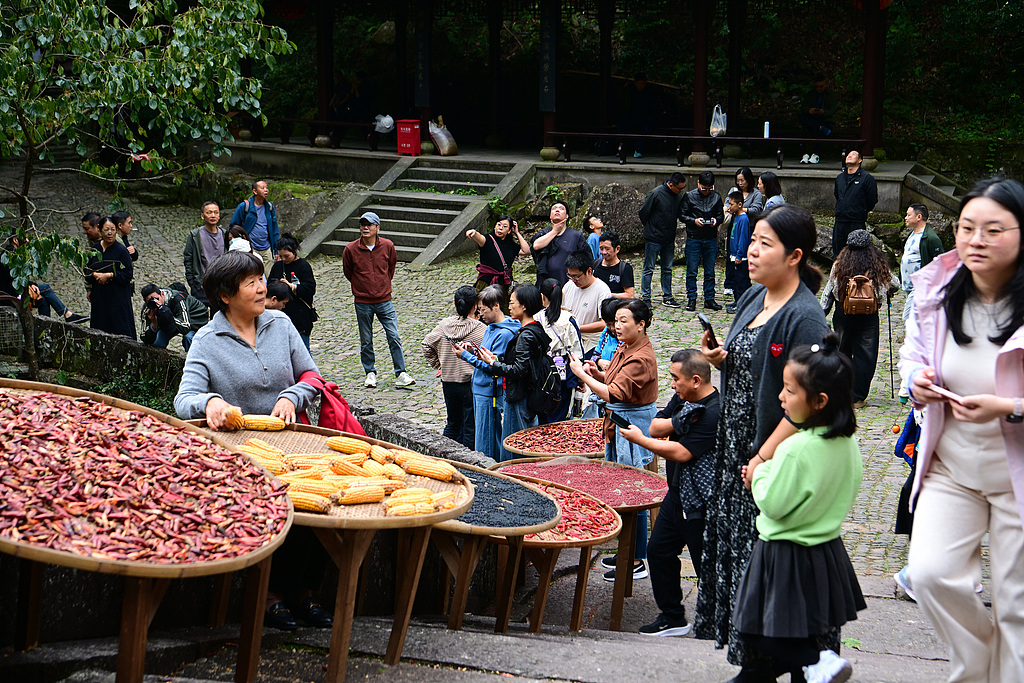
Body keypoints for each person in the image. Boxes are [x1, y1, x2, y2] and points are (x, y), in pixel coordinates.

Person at [693, 203, 830, 672]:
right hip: (738, 458)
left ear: (794, 256)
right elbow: (755, 367)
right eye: (751, 239)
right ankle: (760, 664)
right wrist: (722, 360)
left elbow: (811, 401)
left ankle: (787, 665)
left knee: (773, 576)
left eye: (763, 243)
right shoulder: (755, 296)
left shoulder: (805, 317)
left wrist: (763, 456)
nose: (751, 250)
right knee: (746, 573)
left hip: (771, 465)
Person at [898, 177, 1024, 683]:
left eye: (994, 230)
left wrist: (1010, 405)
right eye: (967, 227)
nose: (976, 239)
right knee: (930, 575)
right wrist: (916, 380)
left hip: (1016, 476)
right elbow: (910, 355)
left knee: (1017, 603)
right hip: (952, 464)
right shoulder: (936, 286)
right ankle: (978, 668)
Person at [174, 251, 330, 632]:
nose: (263, 288)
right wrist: (209, 401)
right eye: (252, 283)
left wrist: (291, 396)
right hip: (246, 453)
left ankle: (304, 593)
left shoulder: (281, 323)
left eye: (261, 279)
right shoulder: (207, 341)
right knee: (276, 513)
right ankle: (271, 596)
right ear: (226, 295)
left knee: (321, 510)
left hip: (295, 444)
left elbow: (311, 375)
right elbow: (183, 400)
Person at [731, 332, 865, 682]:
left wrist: (759, 474)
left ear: (819, 400)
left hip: (784, 551)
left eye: (790, 390)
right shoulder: (846, 442)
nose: (780, 396)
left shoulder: (796, 448)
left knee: (755, 629)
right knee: (803, 627)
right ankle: (808, 663)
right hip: (824, 550)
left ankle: (818, 661)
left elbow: (773, 503)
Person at [621, 349, 721, 638]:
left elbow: (681, 451)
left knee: (707, 564)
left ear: (696, 380)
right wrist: (680, 421)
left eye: (676, 379)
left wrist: (641, 440)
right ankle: (673, 616)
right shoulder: (686, 399)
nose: (672, 384)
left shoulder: (714, 412)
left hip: (701, 501)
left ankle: (717, 623)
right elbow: (655, 425)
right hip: (676, 494)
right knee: (659, 551)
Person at [569, 299, 658, 582]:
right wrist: (600, 373)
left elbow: (613, 394)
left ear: (641, 325)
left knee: (634, 493)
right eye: (616, 321)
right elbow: (614, 381)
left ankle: (637, 558)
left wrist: (583, 375)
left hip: (630, 426)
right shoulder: (628, 347)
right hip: (618, 422)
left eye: (624, 321)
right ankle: (626, 552)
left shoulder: (641, 357)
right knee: (623, 488)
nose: (617, 327)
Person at [820, 229, 900, 408]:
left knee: (842, 352)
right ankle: (857, 397)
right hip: (869, 316)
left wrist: (821, 313)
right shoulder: (878, 265)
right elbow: (895, 284)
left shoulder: (840, 264)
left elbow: (828, 292)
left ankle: (842, 392)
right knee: (866, 356)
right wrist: (886, 293)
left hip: (843, 314)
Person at [342, 211, 415, 390]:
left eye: (369, 224)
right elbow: (348, 272)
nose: (365, 227)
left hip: (384, 300)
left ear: (377, 227)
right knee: (366, 339)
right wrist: (362, 287)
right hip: (362, 301)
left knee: (394, 336)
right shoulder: (351, 249)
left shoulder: (388, 246)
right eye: (362, 224)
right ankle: (370, 372)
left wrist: (382, 286)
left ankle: (401, 373)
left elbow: (391, 268)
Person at [473, 284, 552, 448]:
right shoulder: (536, 329)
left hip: (519, 395)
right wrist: (496, 358)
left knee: (514, 446)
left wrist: (492, 363)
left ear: (523, 306)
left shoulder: (525, 335)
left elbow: (518, 370)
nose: (508, 307)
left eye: (512, 303)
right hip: (529, 395)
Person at [456, 285, 521, 462]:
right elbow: (486, 354)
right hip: (480, 388)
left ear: (496, 306)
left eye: (483, 310)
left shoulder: (505, 333)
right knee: (482, 435)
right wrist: (472, 350)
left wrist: (466, 356)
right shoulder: (491, 327)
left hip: (490, 391)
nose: (480, 315)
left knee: (488, 440)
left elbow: (492, 365)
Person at [422, 285, 486, 449]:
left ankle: (444, 456)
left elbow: (426, 344)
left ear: (455, 304)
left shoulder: (443, 326)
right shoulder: (482, 330)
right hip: (470, 383)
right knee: (471, 426)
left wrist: (439, 364)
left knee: (452, 423)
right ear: (475, 306)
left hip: (449, 382)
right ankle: (470, 460)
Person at [0, 235, 88, 323]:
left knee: (43, 300)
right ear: (15, 240)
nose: (27, 240)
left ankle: (45, 328)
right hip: (10, 296)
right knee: (46, 288)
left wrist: (31, 284)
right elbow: (15, 278)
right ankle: (67, 315)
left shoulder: (16, 253)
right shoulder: (10, 255)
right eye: (25, 238)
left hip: (15, 291)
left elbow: (19, 277)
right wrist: (30, 284)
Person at [537, 278, 584, 423]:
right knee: (560, 414)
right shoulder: (569, 320)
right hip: (563, 374)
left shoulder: (536, 319)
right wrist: (580, 378)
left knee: (541, 416)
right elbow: (577, 352)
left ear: (542, 296)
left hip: (541, 373)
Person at [638, 172, 687, 307]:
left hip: (669, 238)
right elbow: (643, 213)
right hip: (654, 237)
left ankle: (668, 296)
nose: (682, 190)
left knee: (667, 269)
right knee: (649, 268)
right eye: (680, 188)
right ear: (671, 185)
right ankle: (646, 297)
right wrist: (651, 228)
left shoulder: (678, 196)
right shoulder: (655, 194)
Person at [86, 216, 136, 339]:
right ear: (100, 230)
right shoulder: (94, 249)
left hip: (118, 297)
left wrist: (110, 275)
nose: (110, 233)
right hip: (100, 297)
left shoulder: (121, 251)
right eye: (106, 230)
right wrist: (95, 275)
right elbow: (86, 270)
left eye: (113, 230)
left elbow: (128, 274)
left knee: (120, 330)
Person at [681, 171, 725, 312]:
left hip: (710, 238)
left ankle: (709, 299)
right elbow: (682, 215)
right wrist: (693, 221)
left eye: (709, 188)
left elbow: (721, 216)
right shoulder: (689, 196)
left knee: (710, 271)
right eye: (704, 188)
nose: (706, 191)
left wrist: (715, 221)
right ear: (698, 184)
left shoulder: (716, 197)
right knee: (692, 271)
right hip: (694, 237)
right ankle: (692, 298)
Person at [466, 214, 530, 311]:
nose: (500, 228)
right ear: (495, 226)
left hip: (504, 284)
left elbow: (526, 251)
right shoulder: (488, 239)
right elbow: (480, 238)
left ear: (509, 231)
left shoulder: (511, 245)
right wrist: (474, 233)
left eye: (505, 226)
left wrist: (517, 233)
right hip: (486, 282)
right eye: (499, 225)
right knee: (484, 308)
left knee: (502, 310)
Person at [268, 233, 317, 352]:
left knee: (302, 350)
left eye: (286, 256)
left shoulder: (303, 266)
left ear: (294, 251)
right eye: (281, 256)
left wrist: (293, 287)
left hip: (300, 315)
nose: (284, 259)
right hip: (281, 314)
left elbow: (310, 289)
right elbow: (269, 286)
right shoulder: (278, 266)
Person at [722, 168, 764, 302]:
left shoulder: (755, 194)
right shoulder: (733, 191)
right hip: (734, 225)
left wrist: (740, 209)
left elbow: (757, 209)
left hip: (748, 226)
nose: (740, 183)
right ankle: (729, 283)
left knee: (743, 254)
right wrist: (728, 208)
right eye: (738, 180)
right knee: (730, 253)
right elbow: (726, 203)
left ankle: (742, 287)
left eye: (743, 180)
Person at [899, 203, 944, 324]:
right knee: (918, 318)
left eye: (908, 215)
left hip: (920, 286)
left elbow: (940, 263)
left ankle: (913, 342)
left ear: (919, 217)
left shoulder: (930, 238)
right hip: (908, 285)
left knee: (908, 318)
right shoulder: (912, 234)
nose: (906, 218)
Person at [563, 249, 613, 356]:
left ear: (589, 271)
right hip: (569, 341)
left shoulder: (602, 291)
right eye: (570, 276)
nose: (573, 280)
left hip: (590, 345)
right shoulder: (568, 286)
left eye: (576, 276)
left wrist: (577, 328)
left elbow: (604, 323)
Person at [833, 150, 878, 258]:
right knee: (838, 254)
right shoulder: (840, 178)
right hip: (840, 220)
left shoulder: (866, 178)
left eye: (853, 154)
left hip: (856, 221)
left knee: (857, 254)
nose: (849, 156)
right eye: (848, 154)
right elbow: (837, 195)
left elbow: (872, 200)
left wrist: (859, 210)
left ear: (860, 160)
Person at [531, 200, 587, 286]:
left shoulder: (576, 236)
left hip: (568, 283)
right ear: (550, 215)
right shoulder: (543, 233)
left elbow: (586, 259)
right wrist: (555, 231)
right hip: (545, 285)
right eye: (554, 209)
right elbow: (536, 246)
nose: (557, 210)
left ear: (567, 216)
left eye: (561, 209)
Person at [139, 284, 209, 351]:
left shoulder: (178, 299)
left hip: (193, 318)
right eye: (150, 301)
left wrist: (166, 314)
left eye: (157, 299)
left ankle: (191, 361)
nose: (155, 302)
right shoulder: (148, 309)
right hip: (172, 322)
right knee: (158, 341)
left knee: (188, 337)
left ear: (162, 294)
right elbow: (145, 338)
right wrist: (154, 324)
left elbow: (185, 327)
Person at [229, 179, 279, 274]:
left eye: (267, 188)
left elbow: (274, 230)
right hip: (250, 247)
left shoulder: (269, 207)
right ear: (255, 191)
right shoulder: (244, 206)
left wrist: (276, 250)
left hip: (266, 248)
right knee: (253, 275)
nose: (266, 190)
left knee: (269, 276)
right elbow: (233, 227)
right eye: (262, 188)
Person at [183, 201, 225, 308]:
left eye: (216, 212)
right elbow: (188, 258)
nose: (213, 215)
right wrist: (192, 283)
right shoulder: (195, 236)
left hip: (221, 286)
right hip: (201, 286)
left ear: (219, 215)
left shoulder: (225, 234)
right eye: (209, 212)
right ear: (202, 216)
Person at [725, 190, 753, 314]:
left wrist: (740, 255)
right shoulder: (736, 217)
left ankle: (742, 304)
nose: (729, 207)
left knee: (741, 282)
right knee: (736, 281)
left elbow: (743, 239)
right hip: (734, 254)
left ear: (739, 204)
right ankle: (737, 301)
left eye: (731, 204)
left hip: (740, 257)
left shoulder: (743, 219)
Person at [798, 74, 837, 164]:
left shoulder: (831, 95)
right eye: (817, 87)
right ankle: (809, 153)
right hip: (812, 120)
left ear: (826, 85)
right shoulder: (811, 94)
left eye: (821, 86)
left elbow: (832, 111)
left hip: (825, 120)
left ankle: (814, 153)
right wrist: (809, 110)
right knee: (811, 126)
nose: (819, 89)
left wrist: (823, 112)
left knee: (815, 130)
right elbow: (803, 108)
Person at [593, 230, 636, 299]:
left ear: (617, 249)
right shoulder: (595, 265)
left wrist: (606, 295)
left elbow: (629, 295)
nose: (604, 252)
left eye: (607, 249)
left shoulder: (624, 268)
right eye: (601, 249)